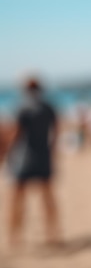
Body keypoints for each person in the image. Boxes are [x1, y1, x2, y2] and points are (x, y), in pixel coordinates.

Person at [4, 77, 61, 249]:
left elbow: (15, 134)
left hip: (23, 158)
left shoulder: (21, 107)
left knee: (17, 198)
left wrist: (6, 152)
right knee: (47, 197)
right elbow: (56, 133)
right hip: (43, 157)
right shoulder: (48, 107)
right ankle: (52, 234)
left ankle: (15, 236)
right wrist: (51, 151)